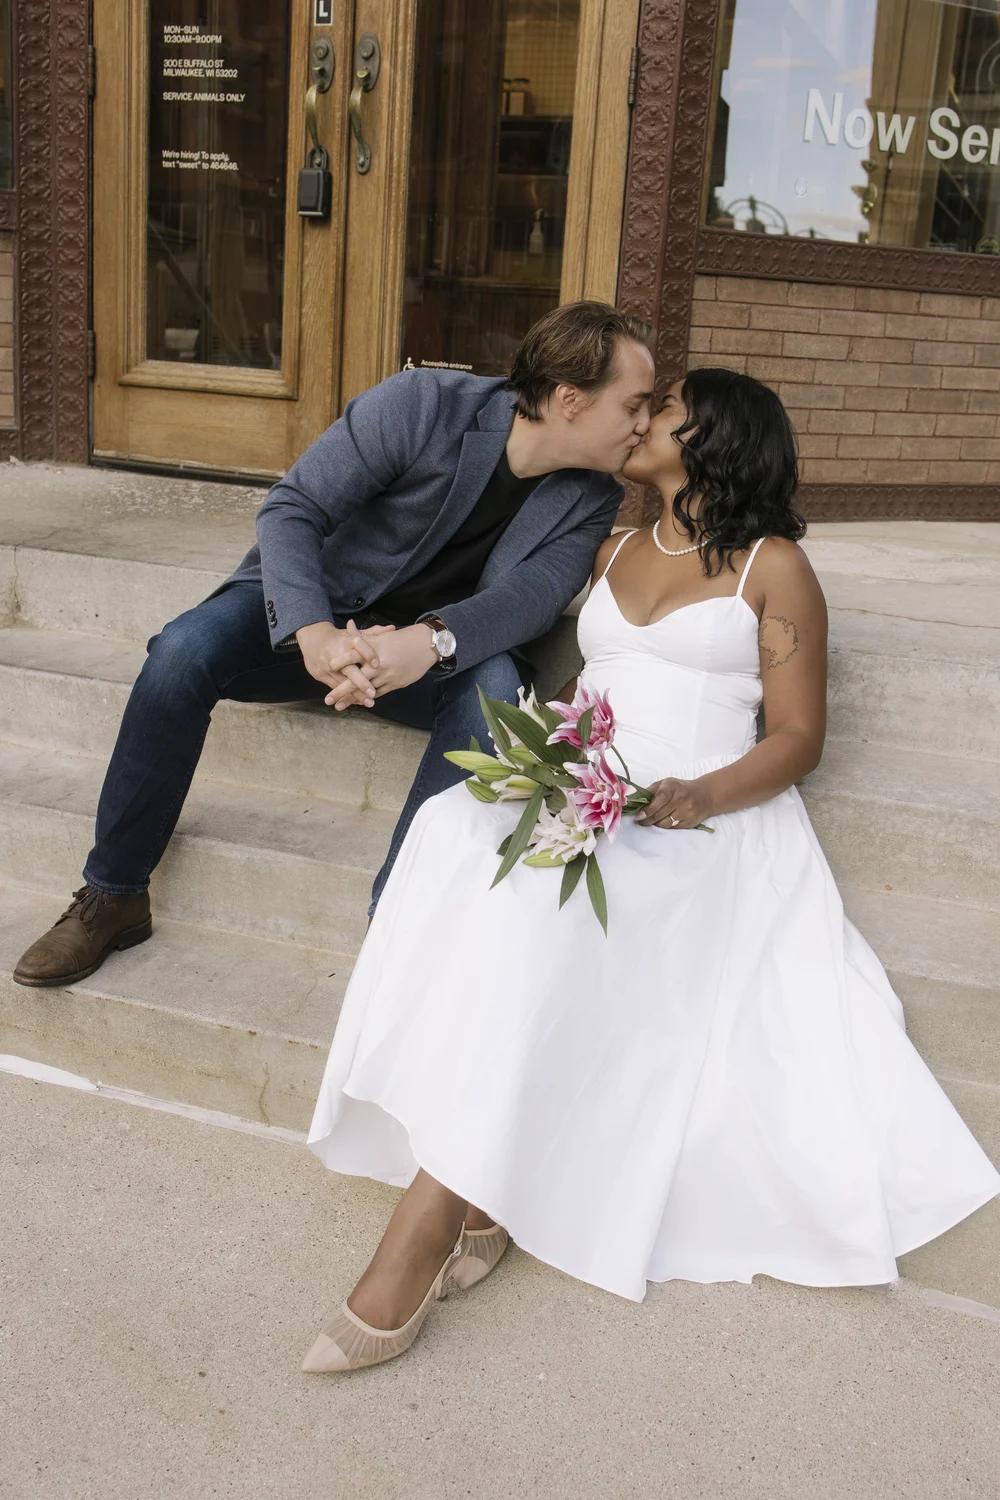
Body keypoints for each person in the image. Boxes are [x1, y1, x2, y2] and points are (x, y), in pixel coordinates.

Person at [301, 366, 1000, 1374]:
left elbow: (798, 736)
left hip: (705, 810)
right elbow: (547, 652)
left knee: (553, 908)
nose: (641, 418)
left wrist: (703, 795)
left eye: (662, 409)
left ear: (713, 438)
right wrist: (500, 720)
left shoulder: (775, 567)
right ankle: (482, 1188)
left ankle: (423, 1232)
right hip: (590, 777)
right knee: (455, 837)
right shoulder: (612, 542)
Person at [13, 302, 655, 988]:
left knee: (495, 690)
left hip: (426, 663)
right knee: (181, 651)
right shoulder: (423, 405)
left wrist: (427, 642)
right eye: (636, 405)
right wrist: (313, 632)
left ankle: (395, 928)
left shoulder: (590, 497)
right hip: (316, 625)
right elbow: (294, 509)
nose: (646, 425)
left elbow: (530, 600)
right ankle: (113, 894)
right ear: (569, 399)